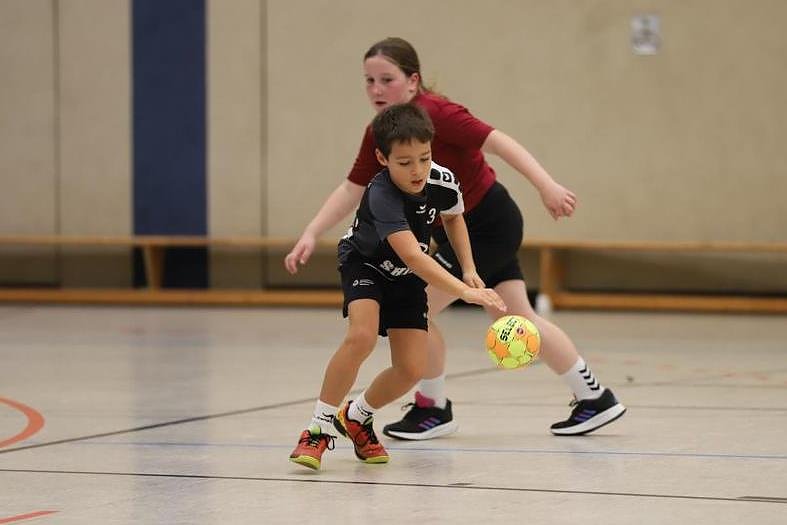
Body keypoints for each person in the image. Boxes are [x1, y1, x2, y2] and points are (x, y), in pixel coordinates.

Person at [285, 37, 626, 440]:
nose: (377, 90)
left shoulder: (436, 113)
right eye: (369, 81)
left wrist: (546, 185)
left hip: (484, 224)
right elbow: (351, 188)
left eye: (387, 79)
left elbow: (498, 141)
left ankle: (432, 407)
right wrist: (311, 231)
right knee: (517, 318)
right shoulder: (381, 133)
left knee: (415, 308)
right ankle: (594, 396)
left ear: (413, 81)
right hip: (476, 226)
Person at [288, 103, 506, 470]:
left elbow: (454, 219)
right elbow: (413, 257)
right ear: (381, 157)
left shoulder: (441, 180)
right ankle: (319, 428)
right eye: (405, 163)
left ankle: (357, 417)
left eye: (424, 157)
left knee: (411, 368)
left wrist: (469, 269)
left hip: (405, 277)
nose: (417, 170)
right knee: (362, 336)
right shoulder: (381, 192)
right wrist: (464, 291)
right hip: (367, 263)